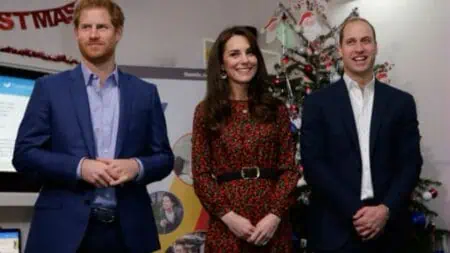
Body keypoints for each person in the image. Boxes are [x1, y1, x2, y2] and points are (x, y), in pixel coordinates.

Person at [12, 0, 174, 252]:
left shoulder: (144, 93)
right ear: (76, 32)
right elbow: (24, 154)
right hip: (62, 232)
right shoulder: (49, 89)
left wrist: (137, 166)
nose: (94, 34)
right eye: (86, 27)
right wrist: (79, 167)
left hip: (127, 233)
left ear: (118, 32)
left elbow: (164, 158)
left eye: (102, 27)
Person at [300, 17, 422, 253]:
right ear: (340, 49)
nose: (359, 49)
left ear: (375, 46)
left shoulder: (401, 103)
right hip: (335, 232)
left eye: (366, 41)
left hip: (390, 230)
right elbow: (314, 165)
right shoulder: (317, 103)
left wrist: (384, 210)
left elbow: (410, 163)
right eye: (351, 42)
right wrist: (357, 213)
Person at [191, 26, 300, 252]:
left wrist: (274, 215)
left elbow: (289, 169)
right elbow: (201, 174)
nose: (245, 60)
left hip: (272, 224)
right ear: (221, 64)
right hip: (227, 225)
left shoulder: (276, 109)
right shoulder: (206, 112)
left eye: (250, 52)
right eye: (234, 54)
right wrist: (229, 218)